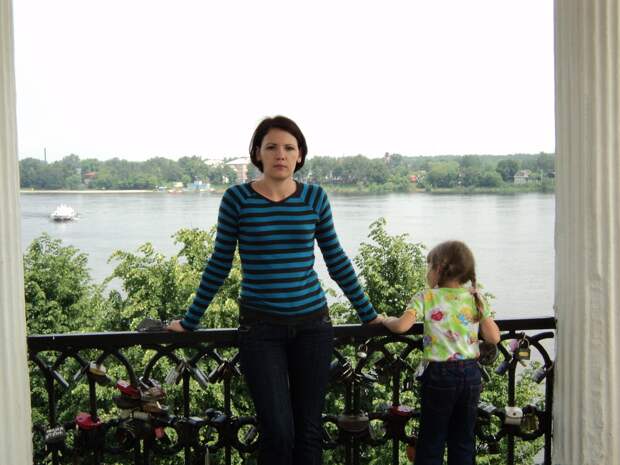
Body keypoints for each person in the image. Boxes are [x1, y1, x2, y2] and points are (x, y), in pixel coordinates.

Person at [167, 115, 382, 465]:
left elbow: (335, 259)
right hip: (261, 329)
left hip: (313, 326)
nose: (280, 154)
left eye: (288, 148)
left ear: (300, 155)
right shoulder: (237, 199)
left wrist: (368, 315)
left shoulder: (314, 197)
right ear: (257, 153)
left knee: (309, 432)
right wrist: (190, 321)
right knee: (278, 432)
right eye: (271, 147)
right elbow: (220, 263)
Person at [382, 240, 500, 465]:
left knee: (432, 441)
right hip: (471, 375)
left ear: (438, 269)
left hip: (439, 375)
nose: (426, 271)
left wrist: (384, 320)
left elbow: (401, 326)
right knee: (463, 440)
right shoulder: (474, 297)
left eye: (428, 266)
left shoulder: (426, 297)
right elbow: (493, 337)